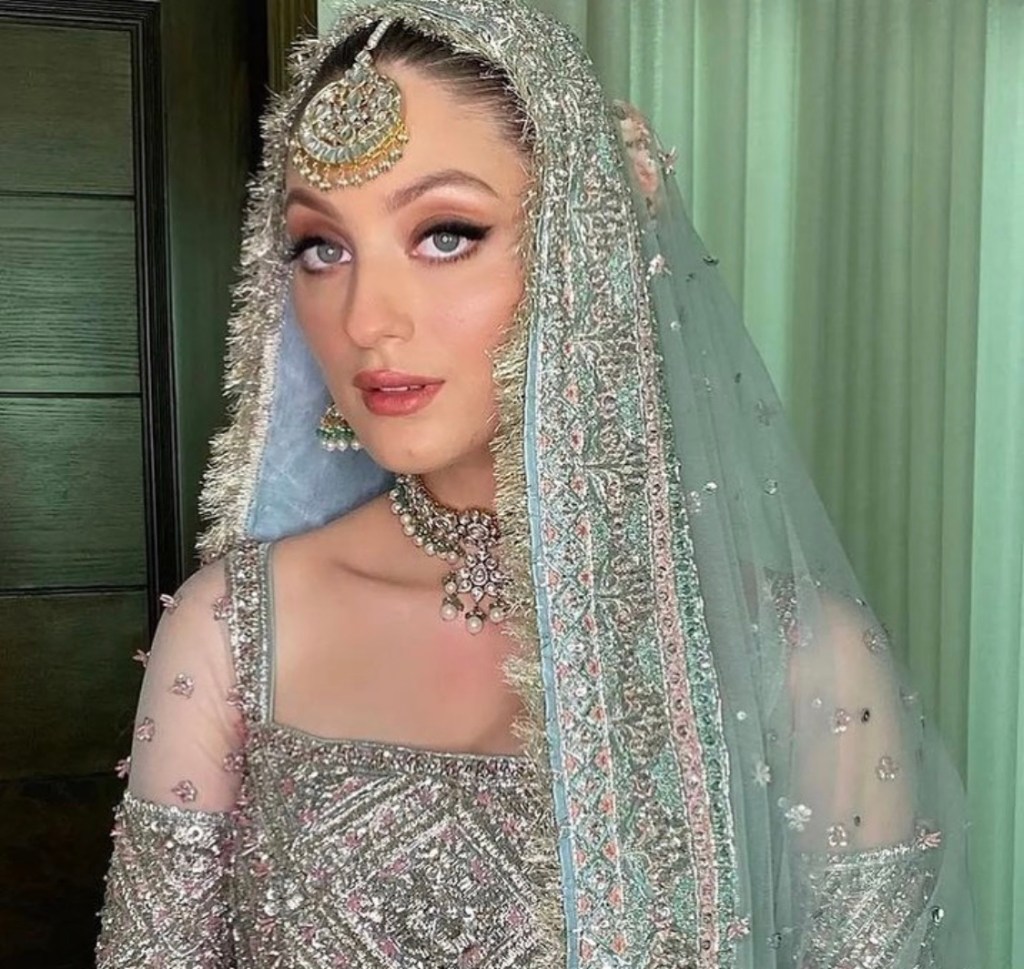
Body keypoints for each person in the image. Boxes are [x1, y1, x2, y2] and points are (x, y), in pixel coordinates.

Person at [94, 1, 978, 966]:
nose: (365, 319)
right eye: (321, 247)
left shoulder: (801, 663)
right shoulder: (233, 629)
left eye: (445, 233)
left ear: (587, 249)